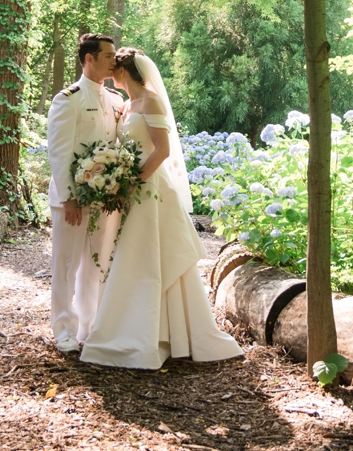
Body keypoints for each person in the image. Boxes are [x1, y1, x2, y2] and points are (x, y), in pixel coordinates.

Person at [80, 47, 244, 369]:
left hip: (150, 188)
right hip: (131, 189)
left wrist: (134, 181)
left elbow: (162, 150)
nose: (111, 71)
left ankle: (169, 335)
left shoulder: (151, 101)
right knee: (136, 257)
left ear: (125, 72)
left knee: (151, 257)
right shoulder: (126, 106)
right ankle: (140, 329)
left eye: (115, 68)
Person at [46, 33, 123, 352]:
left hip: (104, 198)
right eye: (107, 55)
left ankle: (89, 330)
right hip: (72, 200)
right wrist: (69, 197)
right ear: (89, 59)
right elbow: (59, 153)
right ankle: (64, 330)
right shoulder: (69, 98)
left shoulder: (116, 101)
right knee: (66, 265)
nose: (113, 60)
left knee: (96, 264)